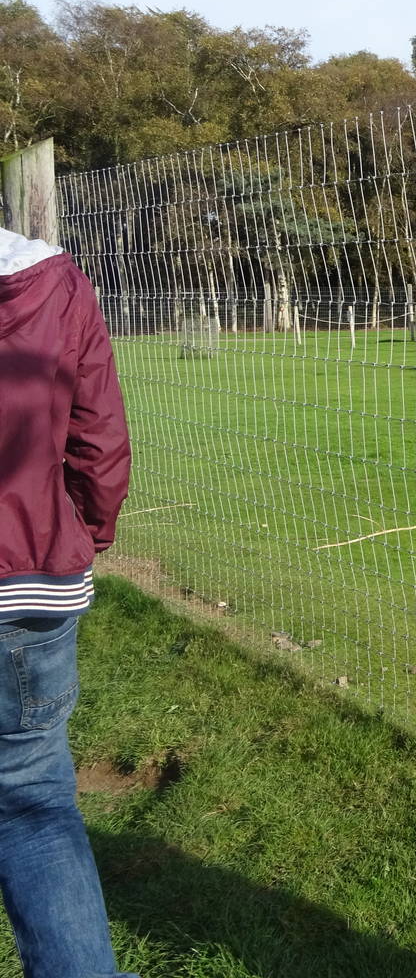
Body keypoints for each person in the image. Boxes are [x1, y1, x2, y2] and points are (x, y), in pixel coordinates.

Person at [0, 223, 134, 978]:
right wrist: (82, 533)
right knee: (34, 805)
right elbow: (98, 439)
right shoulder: (56, 283)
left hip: (32, 572)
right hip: (30, 588)